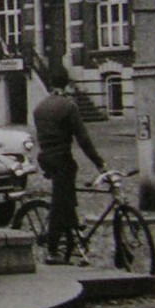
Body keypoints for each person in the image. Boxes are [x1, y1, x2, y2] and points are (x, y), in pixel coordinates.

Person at [32, 66, 107, 263]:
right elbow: (83, 139)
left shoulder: (39, 108)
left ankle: (72, 222)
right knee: (59, 202)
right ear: (66, 83)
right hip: (61, 159)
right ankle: (52, 249)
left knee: (66, 191)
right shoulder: (68, 106)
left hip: (46, 158)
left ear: (49, 84)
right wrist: (99, 164)